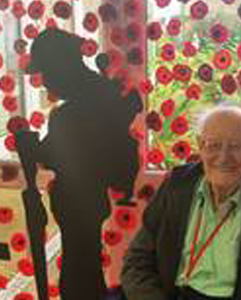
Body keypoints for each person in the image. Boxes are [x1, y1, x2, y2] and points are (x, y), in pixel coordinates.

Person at [121, 106, 241, 300]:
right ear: (200, 145)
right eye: (214, 145)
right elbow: (137, 262)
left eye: (235, 146)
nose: (224, 158)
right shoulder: (176, 186)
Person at [26, 28, 142, 300]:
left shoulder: (69, 115)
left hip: (78, 206)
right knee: (85, 269)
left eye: (46, 73)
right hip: (90, 202)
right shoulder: (100, 97)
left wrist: (31, 146)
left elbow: (57, 155)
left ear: (59, 69)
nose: (44, 82)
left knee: (78, 275)